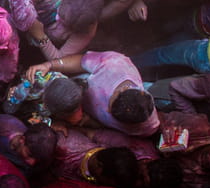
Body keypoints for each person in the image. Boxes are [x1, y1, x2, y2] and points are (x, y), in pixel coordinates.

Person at [26, 51, 160, 137]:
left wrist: (88, 122)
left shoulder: (147, 125)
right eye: (111, 105)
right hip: (67, 95)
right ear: (122, 90)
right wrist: (49, 65)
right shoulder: (114, 65)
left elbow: (110, 130)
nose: (107, 110)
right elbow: (81, 61)